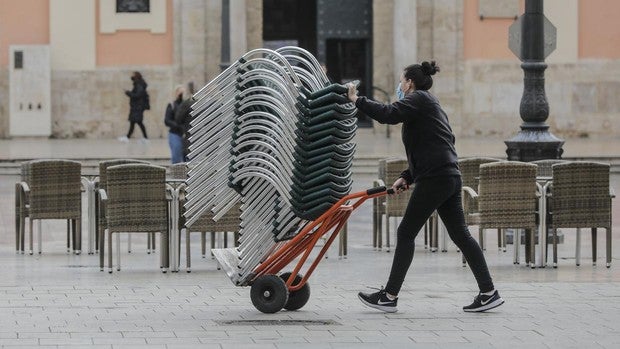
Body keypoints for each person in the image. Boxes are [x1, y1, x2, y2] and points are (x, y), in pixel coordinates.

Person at [347, 61, 504, 313]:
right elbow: (433, 144)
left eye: (401, 81)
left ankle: (389, 296)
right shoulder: (428, 103)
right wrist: (408, 176)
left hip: (436, 177)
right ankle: (488, 292)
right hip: (447, 175)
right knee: (460, 234)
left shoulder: (418, 99)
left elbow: (389, 114)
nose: (399, 85)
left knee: (406, 233)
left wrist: (358, 101)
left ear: (409, 83)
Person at [119, 71, 149, 142]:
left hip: (138, 107)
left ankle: (145, 138)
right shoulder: (138, 84)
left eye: (133, 75)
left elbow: (137, 95)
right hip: (136, 106)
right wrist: (129, 92)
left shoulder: (139, 85)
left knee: (138, 122)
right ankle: (128, 137)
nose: (131, 76)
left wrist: (128, 93)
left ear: (136, 76)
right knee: (133, 122)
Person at [164, 85, 186, 163]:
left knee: (187, 158)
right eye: (180, 93)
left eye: (183, 93)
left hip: (186, 134)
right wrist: (178, 126)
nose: (181, 95)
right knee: (176, 157)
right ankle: (176, 174)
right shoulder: (172, 105)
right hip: (175, 133)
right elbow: (167, 120)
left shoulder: (187, 105)